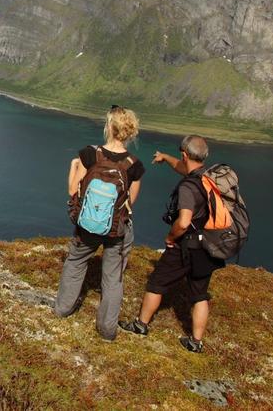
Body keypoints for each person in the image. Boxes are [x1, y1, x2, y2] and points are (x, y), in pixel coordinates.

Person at [118, 134, 225, 353]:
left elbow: (184, 222)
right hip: (209, 245)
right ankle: (195, 342)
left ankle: (141, 325)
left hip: (187, 246)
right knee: (200, 294)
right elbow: (184, 167)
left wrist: (170, 237)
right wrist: (165, 158)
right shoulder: (209, 176)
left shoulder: (188, 187)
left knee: (156, 282)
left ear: (185, 154)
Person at [53, 105, 145, 341]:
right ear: (130, 132)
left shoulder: (89, 154)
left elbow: (73, 190)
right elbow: (130, 203)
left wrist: (73, 166)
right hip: (116, 229)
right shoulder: (134, 166)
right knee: (113, 278)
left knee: (76, 262)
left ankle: (62, 309)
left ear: (108, 128)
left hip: (87, 225)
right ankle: (106, 330)